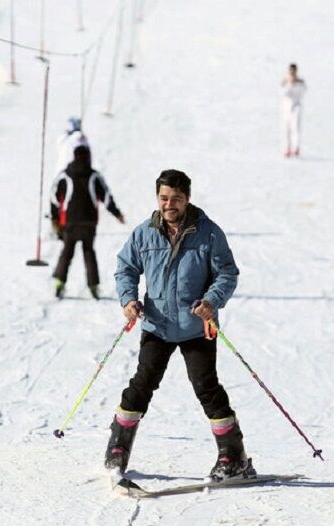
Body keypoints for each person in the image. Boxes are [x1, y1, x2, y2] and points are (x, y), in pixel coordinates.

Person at [105, 169, 253, 481]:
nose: (169, 205)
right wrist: (128, 300)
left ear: (187, 199)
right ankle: (118, 448)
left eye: (175, 199)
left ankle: (232, 454)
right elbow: (126, 268)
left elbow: (227, 273)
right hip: (157, 325)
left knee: (206, 387)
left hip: (196, 326)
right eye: (163, 198)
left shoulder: (209, 233)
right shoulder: (144, 233)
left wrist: (211, 301)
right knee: (141, 385)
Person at [51, 145, 124, 300]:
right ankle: (93, 286)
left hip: (69, 222)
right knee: (88, 252)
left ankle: (59, 283)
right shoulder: (94, 176)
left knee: (67, 252)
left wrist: (55, 217)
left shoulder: (65, 175)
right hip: (89, 223)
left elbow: (54, 197)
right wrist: (116, 213)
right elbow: (106, 197)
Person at [51, 117, 90, 237]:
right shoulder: (78, 138)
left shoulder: (66, 138)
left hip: (63, 172)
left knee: (61, 198)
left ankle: (61, 225)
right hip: (72, 172)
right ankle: (64, 225)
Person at [281, 63, 306, 158]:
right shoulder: (285, 82)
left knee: (295, 127)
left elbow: (303, 92)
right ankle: (287, 148)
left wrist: (296, 83)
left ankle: (296, 148)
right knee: (286, 128)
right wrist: (289, 84)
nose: (292, 73)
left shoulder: (300, 83)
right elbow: (283, 93)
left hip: (296, 106)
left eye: (294, 71)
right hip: (286, 107)